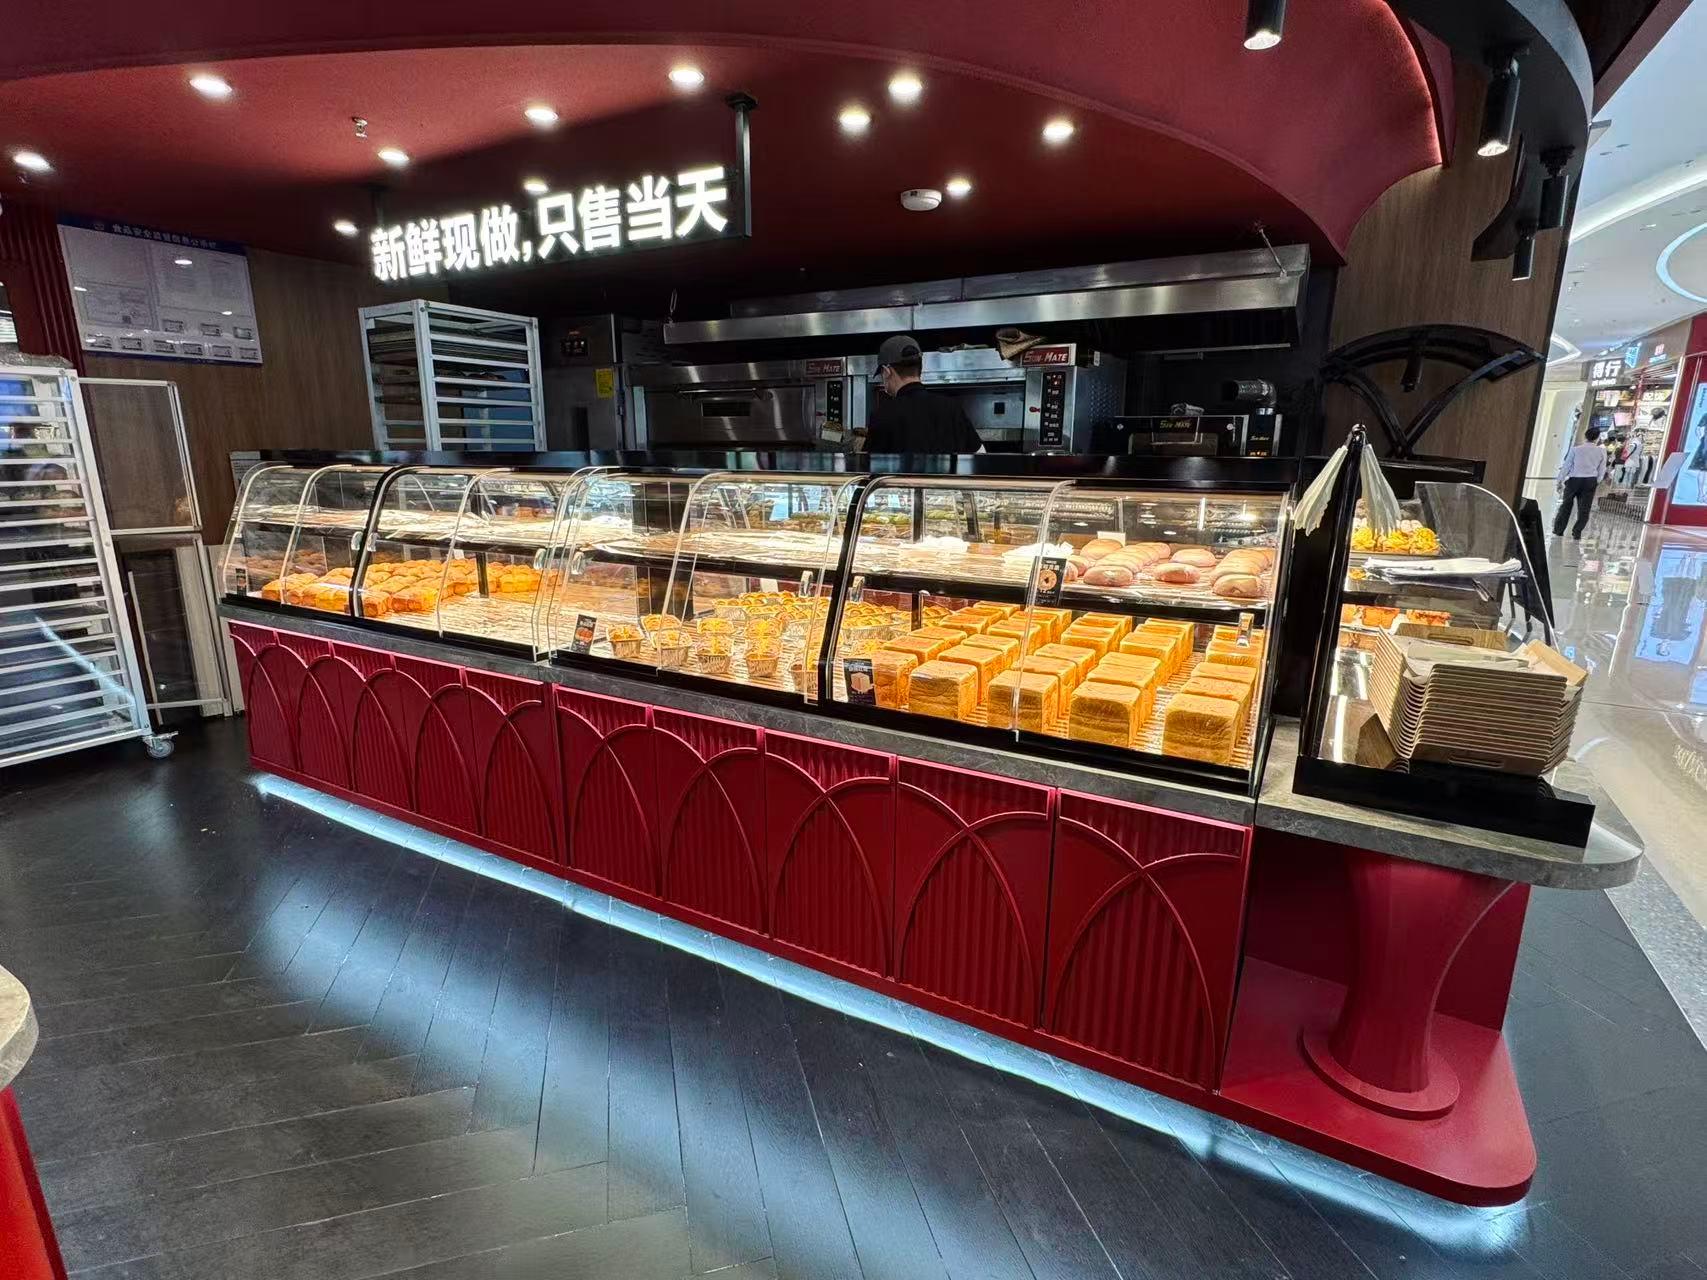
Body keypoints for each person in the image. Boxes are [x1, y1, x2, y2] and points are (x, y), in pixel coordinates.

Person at [862, 334, 983, 454]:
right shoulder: (952, 408)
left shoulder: (883, 415)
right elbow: (980, 454)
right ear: (920, 367)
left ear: (887, 371)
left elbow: (868, 463)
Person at [1553, 423, 1607, 539]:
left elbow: (1566, 466)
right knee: (1584, 508)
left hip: (1574, 480)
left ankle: (1559, 530)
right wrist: (1597, 481)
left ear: (1585, 437)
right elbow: (1602, 469)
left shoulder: (1576, 450)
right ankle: (1577, 532)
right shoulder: (1601, 451)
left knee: (1566, 505)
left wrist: (1559, 480)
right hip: (1590, 481)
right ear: (1597, 438)